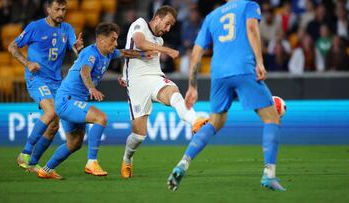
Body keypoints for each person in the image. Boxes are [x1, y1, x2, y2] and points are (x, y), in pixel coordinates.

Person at [167, 0, 286, 192]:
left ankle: (183, 163)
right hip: (242, 68)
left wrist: (192, 86)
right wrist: (260, 62)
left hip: (219, 74)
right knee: (272, 117)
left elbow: (196, 52)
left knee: (215, 122)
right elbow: (251, 29)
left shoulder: (212, 16)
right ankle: (269, 175)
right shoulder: (249, 5)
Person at [37, 22, 154, 180]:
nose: (115, 43)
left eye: (116, 39)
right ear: (100, 40)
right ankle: (92, 162)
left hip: (72, 102)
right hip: (67, 100)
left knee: (74, 143)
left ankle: (46, 169)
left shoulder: (109, 53)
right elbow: (85, 72)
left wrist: (141, 55)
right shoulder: (90, 53)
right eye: (112, 39)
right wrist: (91, 88)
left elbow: (124, 52)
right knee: (101, 117)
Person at [119, 5, 208, 179]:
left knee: (173, 93)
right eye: (167, 24)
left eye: (171, 26)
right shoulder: (140, 24)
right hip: (136, 84)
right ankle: (127, 159)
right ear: (157, 18)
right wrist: (167, 50)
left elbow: (149, 63)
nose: (167, 29)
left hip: (155, 78)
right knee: (138, 136)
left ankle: (195, 121)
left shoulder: (158, 41)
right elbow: (138, 43)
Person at [8, 0, 83, 173]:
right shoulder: (35, 27)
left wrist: (78, 48)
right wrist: (27, 63)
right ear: (48, 9)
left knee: (53, 126)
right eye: (57, 9)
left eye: (64, 9)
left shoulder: (67, 28)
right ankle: (25, 153)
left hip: (57, 82)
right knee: (51, 112)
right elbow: (12, 47)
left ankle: (33, 163)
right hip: (37, 78)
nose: (61, 13)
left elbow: (74, 47)